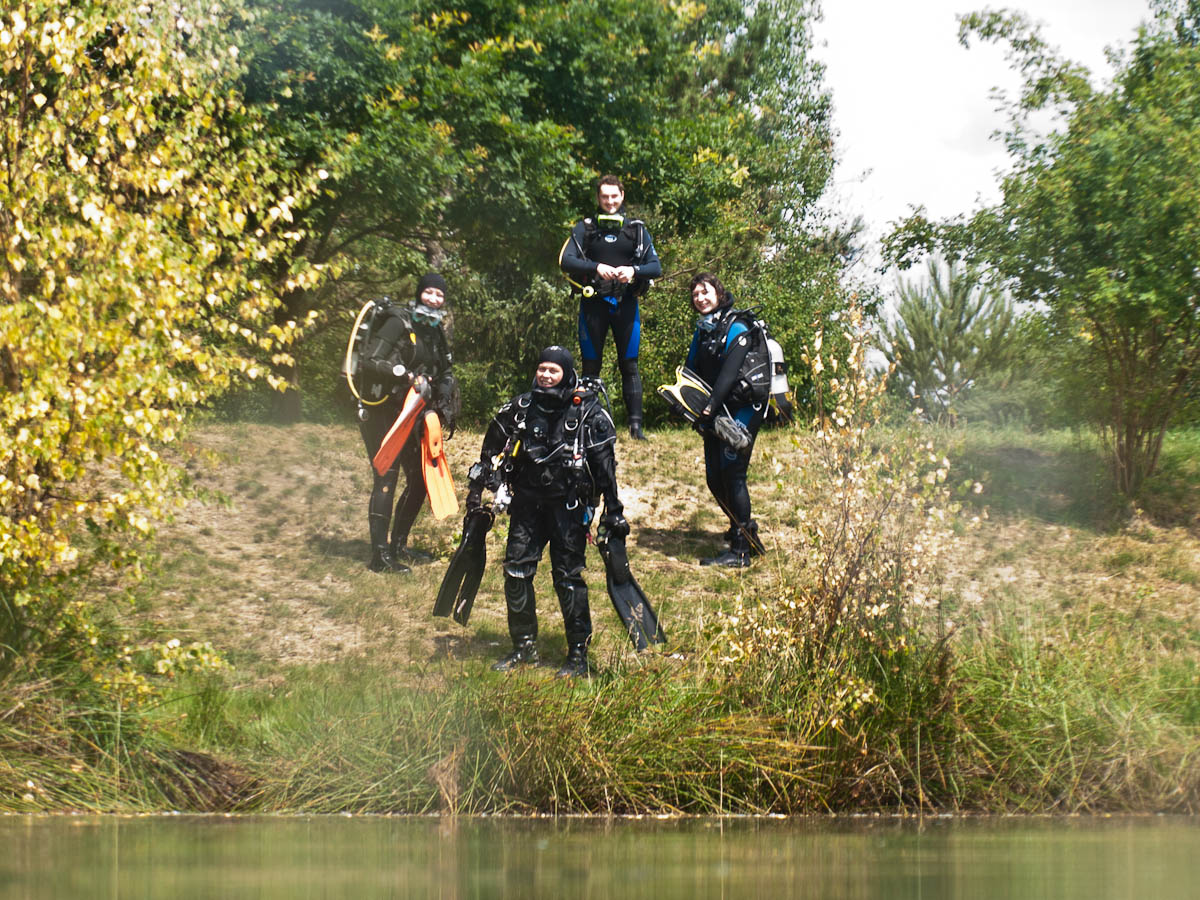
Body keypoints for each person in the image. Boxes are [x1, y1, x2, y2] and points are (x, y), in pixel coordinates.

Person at [465, 346, 626, 677]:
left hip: (569, 507)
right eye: (542, 369)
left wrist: (613, 511)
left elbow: (605, 466)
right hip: (527, 505)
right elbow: (489, 452)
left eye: (553, 370)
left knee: (567, 578)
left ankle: (578, 655)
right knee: (516, 572)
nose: (546, 375)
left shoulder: (587, 412)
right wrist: (479, 491)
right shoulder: (521, 408)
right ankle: (524, 647)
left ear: (566, 374)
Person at [357, 272, 458, 573]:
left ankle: (398, 546)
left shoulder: (435, 331)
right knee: (386, 477)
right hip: (382, 409)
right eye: (429, 293)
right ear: (418, 294)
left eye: (439, 295)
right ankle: (379, 556)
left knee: (419, 480)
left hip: (414, 412)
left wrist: (444, 399)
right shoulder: (398, 322)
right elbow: (369, 361)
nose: (434, 299)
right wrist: (404, 375)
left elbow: (445, 370)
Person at [559, 175, 662, 440]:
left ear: (622, 196)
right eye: (605, 196)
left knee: (630, 365)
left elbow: (655, 267)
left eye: (614, 196)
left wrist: (633, 271)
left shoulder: (636, 230)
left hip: (626, 305)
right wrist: (596, 267)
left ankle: (636, 428)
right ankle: (587, 426)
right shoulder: (586, 228)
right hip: (593, 305)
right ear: (598, 198)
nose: (610, 201)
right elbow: (566, 261)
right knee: (590, 367)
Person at [684, 273, 767, 568]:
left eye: (705, 292)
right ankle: (745, 533)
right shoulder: (704, 330)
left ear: (719, 293)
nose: (700, 298)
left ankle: (741, 551)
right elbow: (691, 370)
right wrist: (684, 402)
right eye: (695, 294)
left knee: (733, 474)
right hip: (716, 409)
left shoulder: (737, 328)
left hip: (742, 409)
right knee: (714, 478)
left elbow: (729, 374)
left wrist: (708, 409)